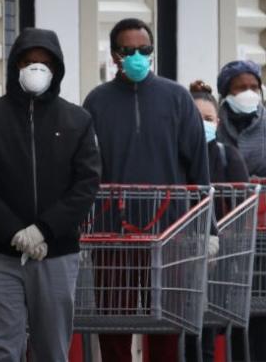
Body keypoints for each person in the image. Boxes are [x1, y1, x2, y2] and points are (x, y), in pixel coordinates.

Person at [0, 28, 101, 362]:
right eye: (28, 61)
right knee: (0, 349)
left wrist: (43, 230)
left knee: (52, 349)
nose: (36, 69)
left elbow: (86, 184)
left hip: (57, 254)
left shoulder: (77, 120)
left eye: (45, 63)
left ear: (57, 69)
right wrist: (14, 232)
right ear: (14, 67)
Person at [82, 18, 211, 362]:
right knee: (113, 325)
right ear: (114, 56)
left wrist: (207, 227)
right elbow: (84, 170)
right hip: (112, 234)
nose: (138, 56)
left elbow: (198, 165)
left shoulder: (177, 98)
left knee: (167, 325)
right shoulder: (96, 102)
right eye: (129, 50)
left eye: (145, 50)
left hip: (170, 232)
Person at [186, 80, 250, 362]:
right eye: (196, 119)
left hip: (219, 257)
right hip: (180, 255)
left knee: (208, 331)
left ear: (218, 122)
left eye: (208, 119)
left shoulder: (228, 156)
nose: (203, 125)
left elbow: (243, 207)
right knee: (183, 330)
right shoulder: (177, 155)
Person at [213, 60, 266, 362]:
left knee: (259, 305)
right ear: (226, 94)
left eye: (253, 87)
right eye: (240, 88)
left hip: (261, 234)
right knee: (227, 304)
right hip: (224, 230)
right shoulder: (213, 126)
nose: (248, 93)